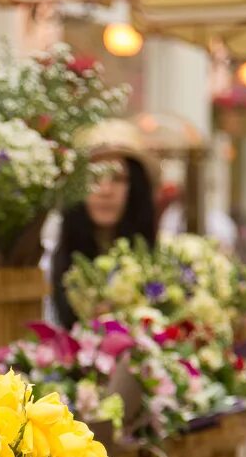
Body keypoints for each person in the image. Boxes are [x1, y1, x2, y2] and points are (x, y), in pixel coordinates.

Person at [45, 119, 160, 327]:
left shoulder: (162, 262)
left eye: (118, 178)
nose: (106, 190)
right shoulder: (48, 263)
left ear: (136, 188)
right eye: (95, 178)